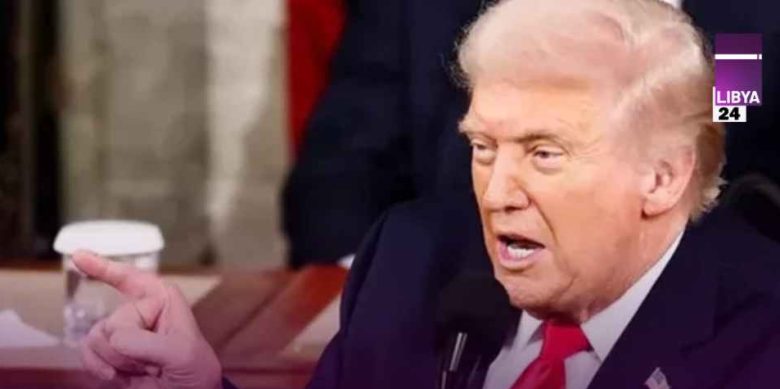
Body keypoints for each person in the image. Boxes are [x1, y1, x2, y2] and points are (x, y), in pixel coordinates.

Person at [77, 0, 780, 389]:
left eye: (544, 153)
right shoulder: (410, 271)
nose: (498, 193)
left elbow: (736, 132)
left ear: (663, 175)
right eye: (483, 149)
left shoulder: (751, 359)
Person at [282, 0, 780, 268]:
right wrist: (371, 293)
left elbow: (743, 140)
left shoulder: (747, 26)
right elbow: (342, 168)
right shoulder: (418, 12)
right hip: (463, 308)